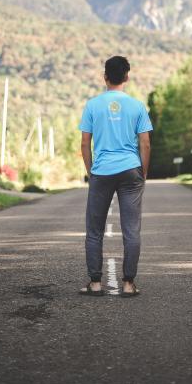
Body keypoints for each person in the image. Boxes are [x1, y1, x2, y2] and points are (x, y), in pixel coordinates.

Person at [78, 55, 153, 297]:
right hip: (131, 170)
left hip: (102, 171)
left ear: (105, 77)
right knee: (131, 230)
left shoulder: (92, 105)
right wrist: (143, 172)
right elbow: (145, 144)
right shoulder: (137, 106)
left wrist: (91, 172)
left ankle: (96, 283)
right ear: (127, 77)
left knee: (94, 230)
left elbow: (84, 143)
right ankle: (129, 284)